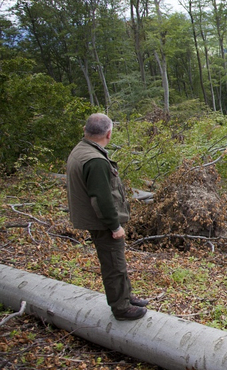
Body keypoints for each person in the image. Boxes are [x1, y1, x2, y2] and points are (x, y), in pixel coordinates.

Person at [66, 113, 148, 321]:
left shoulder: (82, 150)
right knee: (114, 264)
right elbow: (101, 200)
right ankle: (121, 308)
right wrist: (114, 226)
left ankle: (126, 296)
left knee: (116, 261)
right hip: (103, 223)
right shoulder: (95, 161)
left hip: (96, 220)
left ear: (86, 131)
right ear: (109, 134)